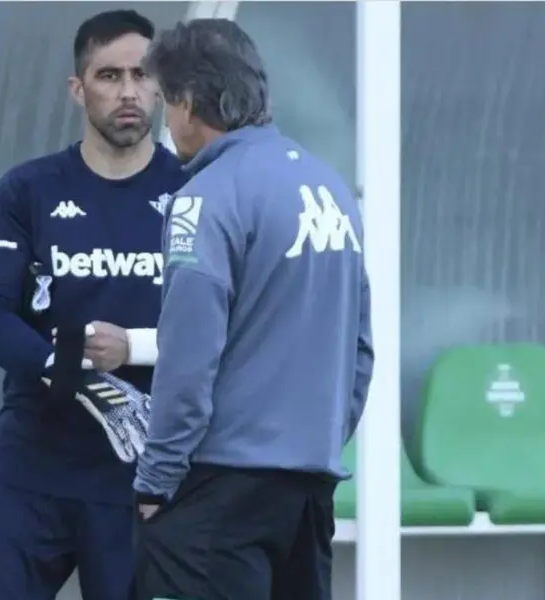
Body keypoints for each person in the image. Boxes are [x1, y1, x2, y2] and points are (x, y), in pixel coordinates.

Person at [0, 10, 188, 600]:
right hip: (32, 466)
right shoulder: (27, 189)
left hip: (144, 479)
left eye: (141, 75)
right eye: (108, 76)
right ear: (78, 90)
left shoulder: (193, 190)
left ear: (160, 85)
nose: (128, 91)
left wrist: (132, 352)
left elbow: (224, 328)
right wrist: (75, 368)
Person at [132, 19, 374, 600]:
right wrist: (317, 445)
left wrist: (156, 480)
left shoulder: (205, 199)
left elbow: (189, 356)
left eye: (167, 102)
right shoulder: (331, 188)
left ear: (188, 103)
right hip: (308, 488)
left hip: (220, 494)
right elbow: (358, 349)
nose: (167, 120)